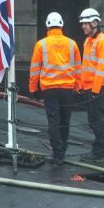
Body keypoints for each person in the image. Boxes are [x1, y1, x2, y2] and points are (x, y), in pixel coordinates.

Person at [29, 12, 81, 165]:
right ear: (61, 25)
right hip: (67, 88)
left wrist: (33, 89)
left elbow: (34, 69)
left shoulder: (41, 44)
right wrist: (78, 87)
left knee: (54, 120)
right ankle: (63, 150)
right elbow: (78, 68)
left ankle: (57, 153)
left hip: (49, 89)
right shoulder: (72, 44)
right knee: (65, 120)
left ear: (47, 26)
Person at [78, 7, 104, 162]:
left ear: (94, 23)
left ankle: (101, 152)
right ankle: (99, 149)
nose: (83, 27)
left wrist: (95, 90)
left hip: (97, 88)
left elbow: (101, 69)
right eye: (82, 24)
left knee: (96, 120)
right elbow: (85, 66)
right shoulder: (88, 41)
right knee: (93, 120)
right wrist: (80, 85)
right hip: (89, 87)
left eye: (85, 23)